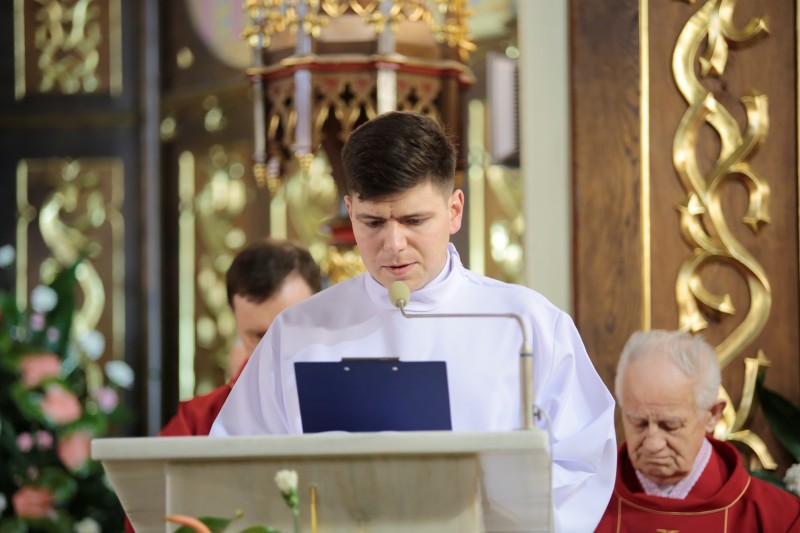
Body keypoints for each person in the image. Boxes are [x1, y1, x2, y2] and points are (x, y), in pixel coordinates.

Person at [210, 111, 616, 531]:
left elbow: (581, 462)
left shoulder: (526, 324)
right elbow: (237, 464)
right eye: (373, 222)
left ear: (454, 210)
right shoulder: (299, 331)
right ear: (350, 212)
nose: (393, 244)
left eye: (413, 220)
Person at [596, 329, 800, 531]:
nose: (653, 444)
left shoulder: (781, 518)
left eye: (670, 425)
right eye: (638, 422)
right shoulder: (587, 503)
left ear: (712, 415)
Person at [160, 238, 322, 436]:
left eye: (288, 331)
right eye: (258, 336)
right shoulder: (198, 421)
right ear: (235, 320)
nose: (275, 349)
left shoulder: (351, 401)